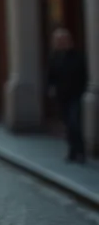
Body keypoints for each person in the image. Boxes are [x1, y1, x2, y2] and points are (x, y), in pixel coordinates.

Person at [46, 28, 89, 163]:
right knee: (68, 124)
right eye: (57, 41)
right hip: (62, 96)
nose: (59, 43)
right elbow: (51, 75)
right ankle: (72, 150)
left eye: (62, 40)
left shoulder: (77, 56)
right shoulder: (55, 57)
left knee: (74, 123)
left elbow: (83, 74)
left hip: (75, 95)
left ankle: (80, 151)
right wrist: (51, 88)